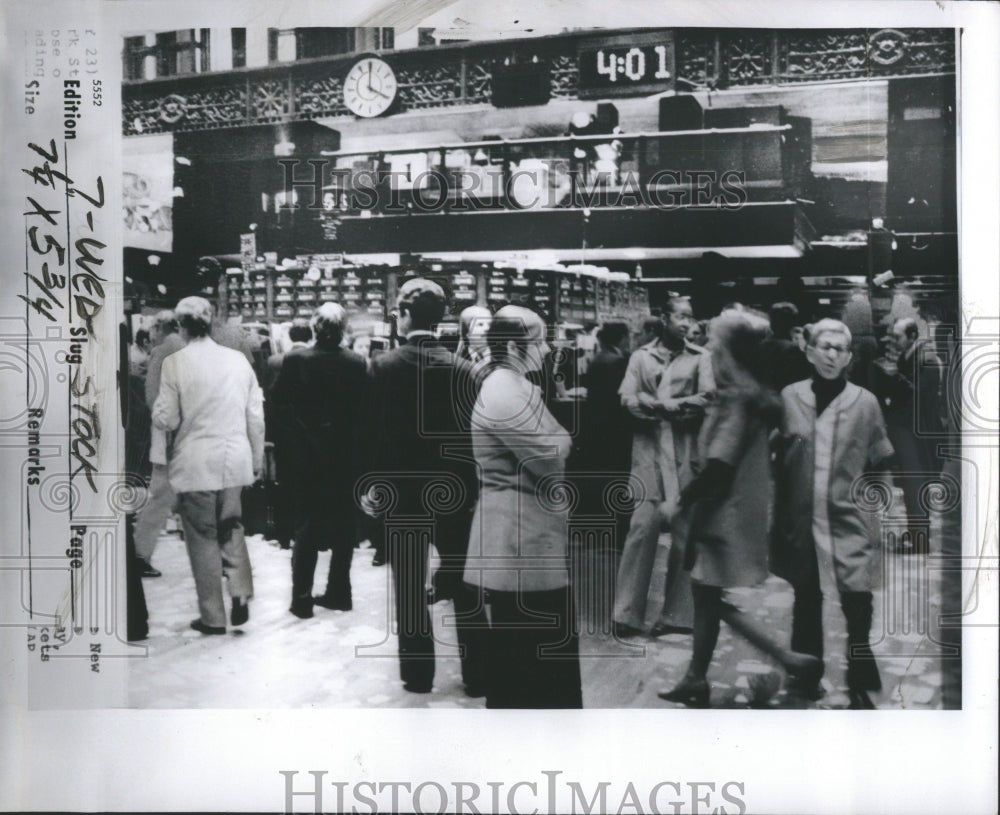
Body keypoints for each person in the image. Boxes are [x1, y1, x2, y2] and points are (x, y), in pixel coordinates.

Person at [658, 309, 820, 707]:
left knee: (708, 596)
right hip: (737, 509)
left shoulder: (737, 400)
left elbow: (718, 467)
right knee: (706, 595)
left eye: (714, 343)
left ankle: (790, 659)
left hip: (720, 514)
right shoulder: (753, 393)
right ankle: (697, 677)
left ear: (727, 351)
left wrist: (678, 501)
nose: (709, 349)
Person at [367, 278, 487, 696]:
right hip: (455, 490)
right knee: (465, 582)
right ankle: (479, 674)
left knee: (409, 585)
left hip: (403, 493)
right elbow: (476, 437)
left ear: (402, 314)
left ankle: (418, 675)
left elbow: (375, 433)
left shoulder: (382, 366)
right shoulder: (465, 370)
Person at [463, 305, 582, 708]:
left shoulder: (515, 387)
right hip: (518, 542)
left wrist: (558, 440)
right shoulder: (504, 390)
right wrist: (559, 441)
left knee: (529, 656)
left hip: (525, 537)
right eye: (540, 341)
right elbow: (552, 455)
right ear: (514, 345)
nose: (548, 349)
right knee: (529, 657)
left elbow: (557, 441)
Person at [774, 319, 895, 709]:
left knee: (857, 600)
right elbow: (774, 456)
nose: (830, 354)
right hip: (801, 514)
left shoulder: (865, 402)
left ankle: (860, 676)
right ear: (809, 351)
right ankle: (807, 673)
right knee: (807, 596)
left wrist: (881, 514)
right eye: (823, 346)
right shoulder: (789, 396)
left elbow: (880, 460)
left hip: (850, 514)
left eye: (838, 349)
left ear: (849, 358)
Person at [152, 296, 265, 635]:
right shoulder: (238, 361)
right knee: (231, 525)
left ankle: (213, 617)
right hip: (235, 459)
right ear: (212, 321)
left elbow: (168, 418)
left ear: (180, 326)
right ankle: (241, 591)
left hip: (196, 462)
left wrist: (158, 412)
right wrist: (256, 460)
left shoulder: (176, 363)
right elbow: (255, 416)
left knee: (202, 537)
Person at [612, 297, 713, 638]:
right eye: (680, 316)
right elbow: (627, 400)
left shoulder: (702, 359)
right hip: (649, 456)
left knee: (686, 536)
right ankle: (626, 614)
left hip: (687, 457)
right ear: (664, 318)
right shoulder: (641, 357)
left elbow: (708, 401)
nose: (686, 323)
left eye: (690, 316)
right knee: (641, 531)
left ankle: (677, 616)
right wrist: (671, 409)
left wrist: (657, 405)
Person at [270, 304, 367, 618]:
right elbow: (364, 411)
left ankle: (301, 599)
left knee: (307, 525)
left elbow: (278, 401)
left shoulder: (296, 359)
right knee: (343, 525)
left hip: (307, 455)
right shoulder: (356, 362)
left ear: (314, 327)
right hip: (346, 456)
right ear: (343, 330)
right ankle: (340, 592)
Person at [870, 317, 944, 553]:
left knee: (916, 484)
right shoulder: (913, 356)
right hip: (911, 429)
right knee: (913, 484)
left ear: (912, 336)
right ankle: (916, 535)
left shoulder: (927, 359)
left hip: (918, 431)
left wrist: (891, 375)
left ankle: (920, 540)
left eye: (897, 336)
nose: (893, 341)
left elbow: (916, 396)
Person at [133, 310, 185, 577]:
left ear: (159, 328)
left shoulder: (161, 352)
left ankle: (140, 554)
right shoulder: (186, 348)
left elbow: (152, 399)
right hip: (186, 438)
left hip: (167, 438)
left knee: (160, 498)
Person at [263, 318, 313, 551]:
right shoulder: (314, 359)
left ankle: (284, 534)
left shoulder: (274, 361)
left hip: (282, 433)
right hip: (309, 434)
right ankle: (307, 533)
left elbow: (269, 401)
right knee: (307, 483)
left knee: (282, 481)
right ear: (310, 336)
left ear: (290, 337)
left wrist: (269, 433)